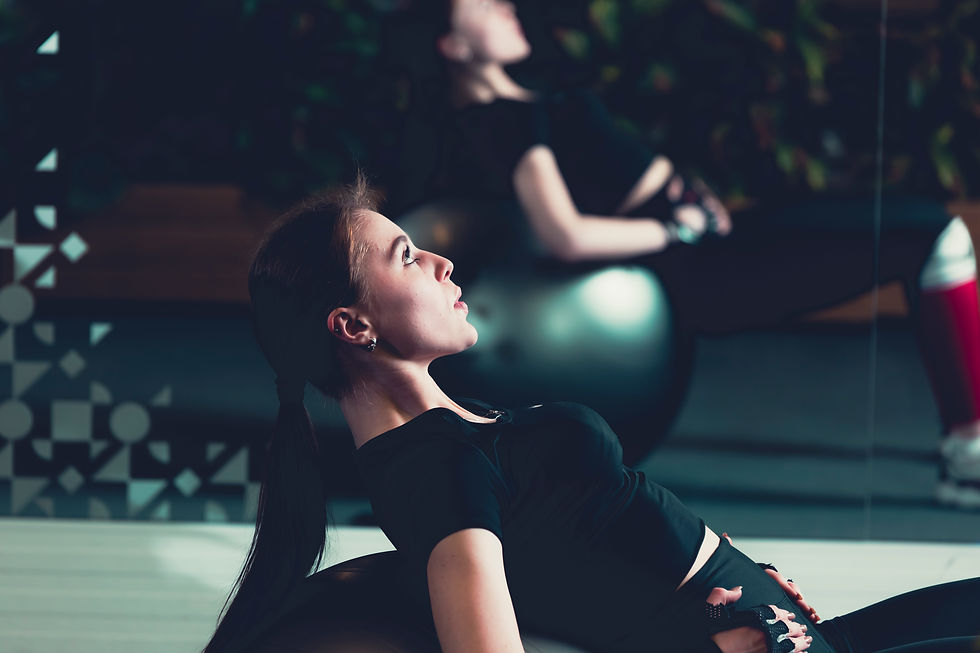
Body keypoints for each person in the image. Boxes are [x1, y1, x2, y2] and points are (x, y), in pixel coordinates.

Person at [203, 180, 979, 653]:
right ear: (353, 327)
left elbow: (561, 544)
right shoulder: (429, 465)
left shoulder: (446, 432)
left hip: (794, 624)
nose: (442, 262)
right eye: (407, 256)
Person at [418, 0, 980, 508]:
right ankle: (968, 453)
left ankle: (966, 444)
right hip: (706, 267)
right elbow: (564, 235)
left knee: (928, 230)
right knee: (936, 237)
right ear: (453, 45)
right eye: (486, 7)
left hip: (719, 242)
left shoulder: (521, 107)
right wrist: (677, 228)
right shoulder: (499, 122)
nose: (507, 8)